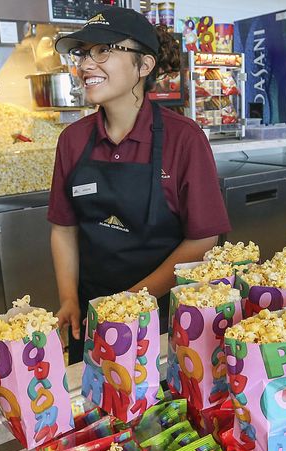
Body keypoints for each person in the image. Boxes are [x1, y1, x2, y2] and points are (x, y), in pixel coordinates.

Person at [48, 7, 231, 364]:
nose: (86, 64)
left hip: (166, 316)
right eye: (83, 53)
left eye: (103, 50)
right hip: (94, 312)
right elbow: (64, 229)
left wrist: (131, 301)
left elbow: (203, 239)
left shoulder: (184, 139)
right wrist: (69, 298)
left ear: (144, 65)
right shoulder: (72, 140)